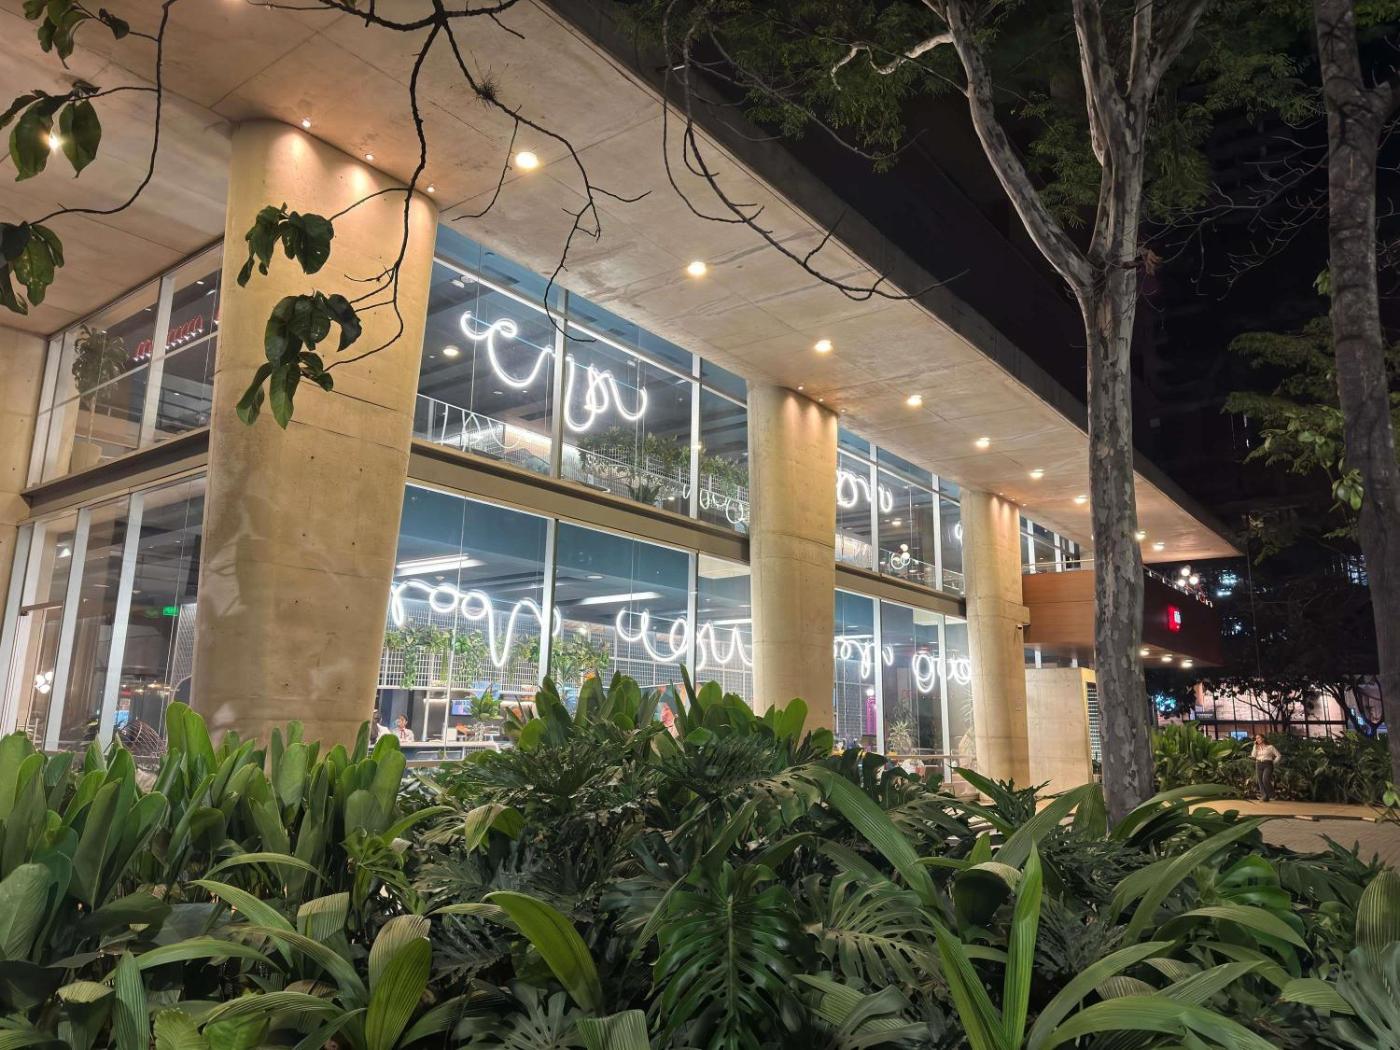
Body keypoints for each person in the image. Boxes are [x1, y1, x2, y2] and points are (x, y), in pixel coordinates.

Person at [1251, 733, 1281, 801]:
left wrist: (1274, 762)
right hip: (1258, 764)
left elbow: (1278, 755)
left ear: (1263, 739)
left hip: (1268, 764)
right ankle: (1264, 796)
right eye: (1256, 738)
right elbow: (1253, 755)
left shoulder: (1270, 747)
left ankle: (1272, 794)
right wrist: (1255, 747)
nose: (1257, 739)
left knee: (1265, 779)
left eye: (1258, 738)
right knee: (1260, 781)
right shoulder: (1256, 747)